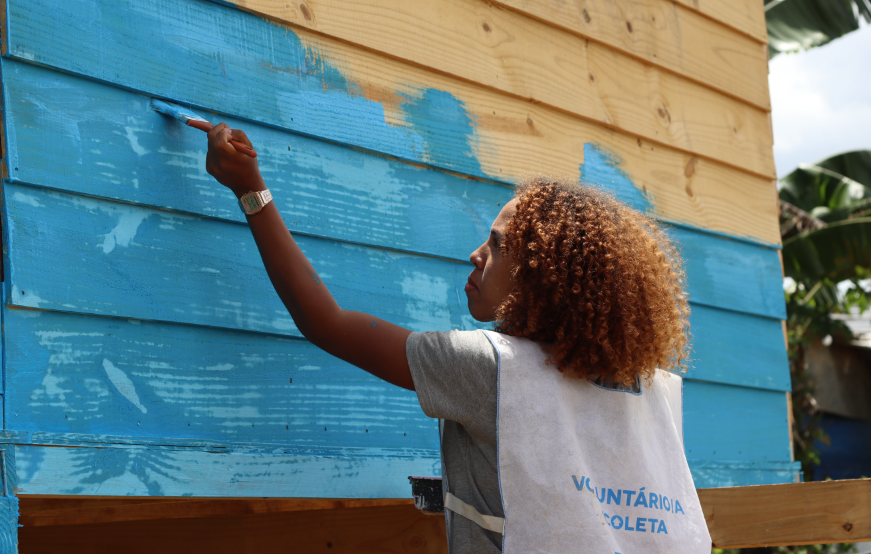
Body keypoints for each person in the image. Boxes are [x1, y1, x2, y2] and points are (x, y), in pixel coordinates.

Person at [203, 121, 712, 554]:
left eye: (497, 243)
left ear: (542, 274)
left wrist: (251, 190)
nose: (476, 253)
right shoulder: (652, 391)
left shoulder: (490, 368)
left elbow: (327, 322)